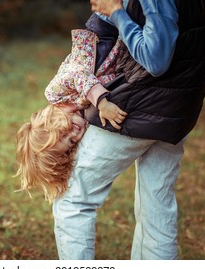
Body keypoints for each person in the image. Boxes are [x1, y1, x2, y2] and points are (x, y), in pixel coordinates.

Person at [53, 0, 205, 259]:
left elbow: (156, 58)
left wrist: (116, 12)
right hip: (179, 109)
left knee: (73, 199)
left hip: (134, 106)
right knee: (156, 212)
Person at [15, 13, 128, 202]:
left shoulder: (54, 93)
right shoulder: (82, 114)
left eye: (63, 134)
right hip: (118, 46)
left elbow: (79, 73)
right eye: (71, 142)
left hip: (103, 33)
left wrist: (102, 102)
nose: (74, 135)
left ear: (48, 123)